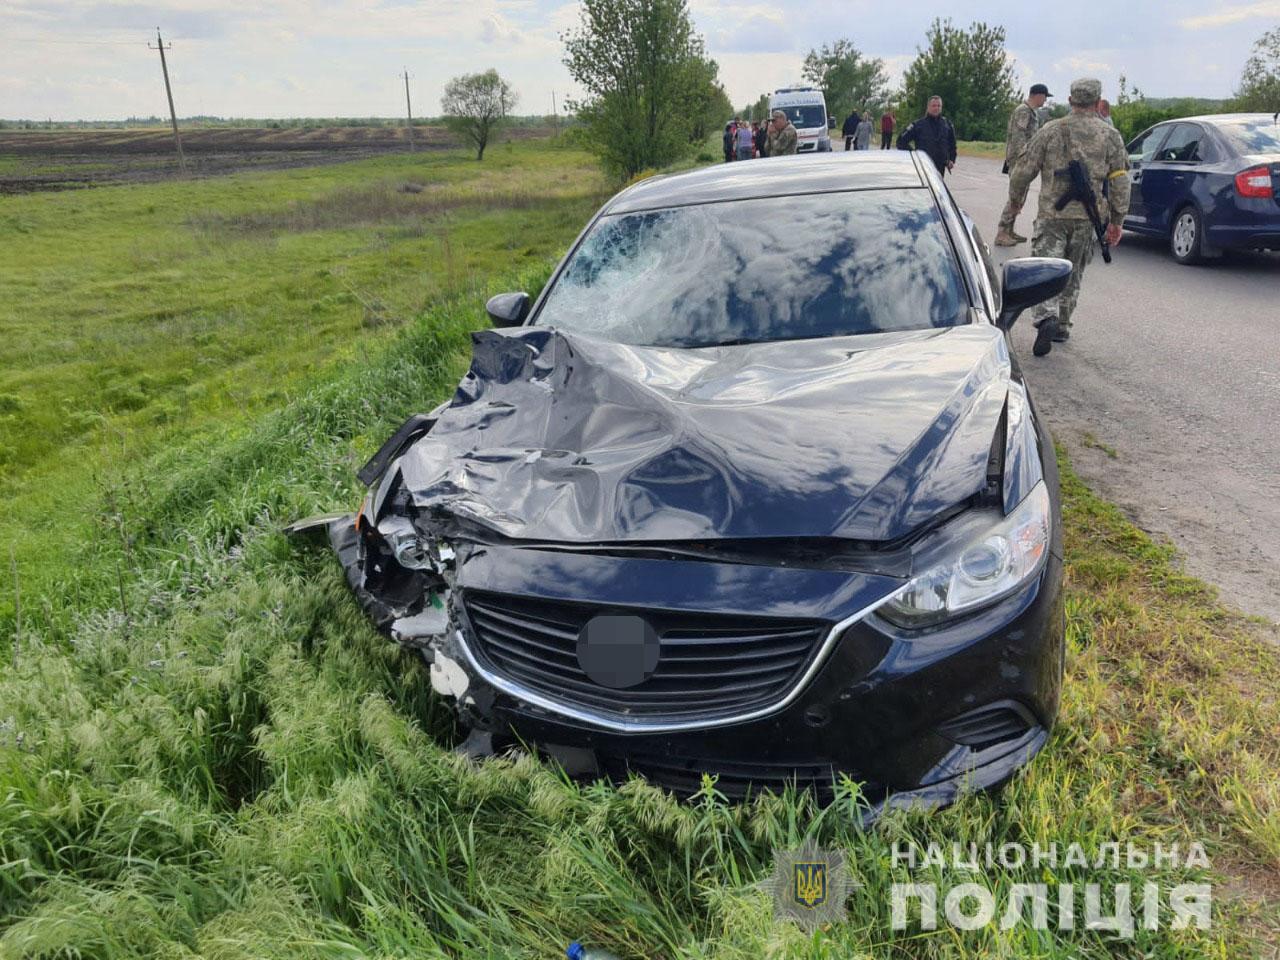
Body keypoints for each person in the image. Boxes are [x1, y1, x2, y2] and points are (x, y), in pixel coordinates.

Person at [1006, 78, 1130, 357]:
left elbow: (1023, 170)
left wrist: (1015, 202)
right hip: (1088, 218)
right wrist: (1118, 220)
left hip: (1052, 215)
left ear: (1071, 101)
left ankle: (1046, 317)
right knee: (1073, 272)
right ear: (1098, 104)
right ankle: (1061, 324)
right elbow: (1120, 179)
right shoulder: (1110, 135)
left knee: (1045, 268)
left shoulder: (1051, 130)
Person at [995, 82, 1052, 247]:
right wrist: (1023, 159)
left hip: (1026, 160)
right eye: (1044, 97)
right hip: (1021, 161)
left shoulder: (1030, 112)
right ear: (1037, 95)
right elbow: (1019, 137)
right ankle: (1002, 232)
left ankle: (1009, 230)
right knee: (1015, 197)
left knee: (1020, 197)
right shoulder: (1023, 111)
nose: (1045, 101)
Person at [896, 95, 957, 176]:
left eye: (939, 106)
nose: (936, 108)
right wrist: (915, 155)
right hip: (923, 166)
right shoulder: (918, 125)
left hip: (940, 167)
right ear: (928, 107)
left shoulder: (947, 124)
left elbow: (952, 144)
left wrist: (952, 159)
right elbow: (900, 141)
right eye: (934, 106)